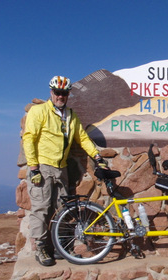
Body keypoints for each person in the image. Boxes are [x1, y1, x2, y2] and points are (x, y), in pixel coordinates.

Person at [22, 76, 106, 266]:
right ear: (51, 92)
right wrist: (33, 167)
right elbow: (30, 139)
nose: (61, 96)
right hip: (42, 167)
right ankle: (42, 247)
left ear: (68, 94)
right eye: (57, 92)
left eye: (64, 93)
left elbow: (82, 138)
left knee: (62, 209)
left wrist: (97, 156)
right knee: (41, 208)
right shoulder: (39, 111)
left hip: (61, 169)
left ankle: (61, 246)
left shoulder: (70, 115)